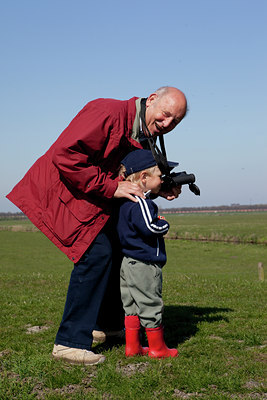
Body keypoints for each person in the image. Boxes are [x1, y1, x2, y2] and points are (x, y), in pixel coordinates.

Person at [6, 86, 187, 365]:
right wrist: (112, 187)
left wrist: (160, 188)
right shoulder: (107, 112)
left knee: (116, 247)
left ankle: (106, 325)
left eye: (175, 121)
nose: (167, 124)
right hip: (62, 194)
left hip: (92, 198)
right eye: (165, 115)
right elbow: (65, 156)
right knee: (96, 254)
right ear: (151, 100)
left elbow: (133, 173)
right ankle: (69, 342)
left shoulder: (142, 131)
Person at [117, 149, 178, 359]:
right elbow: (150, 227)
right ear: (144, 177)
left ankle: (133, 347)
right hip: (144, 264)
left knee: (131, 305)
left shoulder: (126, 201)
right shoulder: (142, 203)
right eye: (159, 176)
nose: (162, 180)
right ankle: (157, 348)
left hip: (128, 262)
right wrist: (164, 223)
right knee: (151, 303)